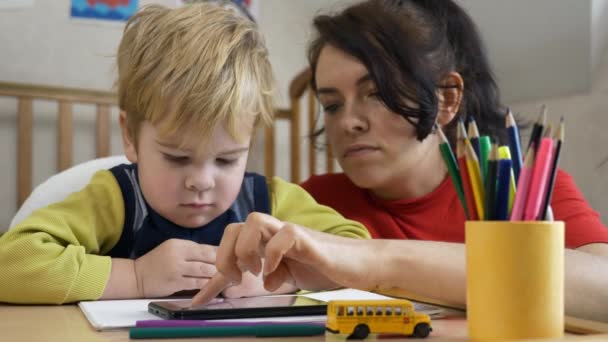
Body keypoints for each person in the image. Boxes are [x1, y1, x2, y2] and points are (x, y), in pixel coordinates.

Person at [193, 0, 608, 322]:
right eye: (332, 105)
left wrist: (371, 261)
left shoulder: (524, 190)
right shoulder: (312, 206)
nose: (349, 122)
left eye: (375, 93)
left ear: (447, 99)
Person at [0, 3, 369, 304]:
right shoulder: (115, 199)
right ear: (130, 136)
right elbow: (11, 263)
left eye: (226, 160)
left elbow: (360, 254)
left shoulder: (268, 200)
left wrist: (283, 277)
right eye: (177, 158)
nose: (201, 182)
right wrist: (135, 276)